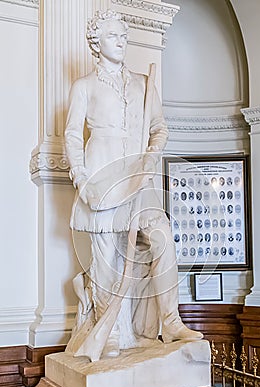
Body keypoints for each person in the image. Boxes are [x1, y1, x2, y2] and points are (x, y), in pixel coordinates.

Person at [64, 10, 203, 360]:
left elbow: (159, 127)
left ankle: (170, 321)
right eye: (114, 37)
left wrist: (153, 155)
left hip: (139, 178)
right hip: (101, 177)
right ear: (97, 43)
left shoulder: (144, 84)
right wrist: (81, 178)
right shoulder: (84, 86)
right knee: (106, 258)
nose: (122, 42)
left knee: (161, 238)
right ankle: (107, 330)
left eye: (124, 37)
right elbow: (71, 136)